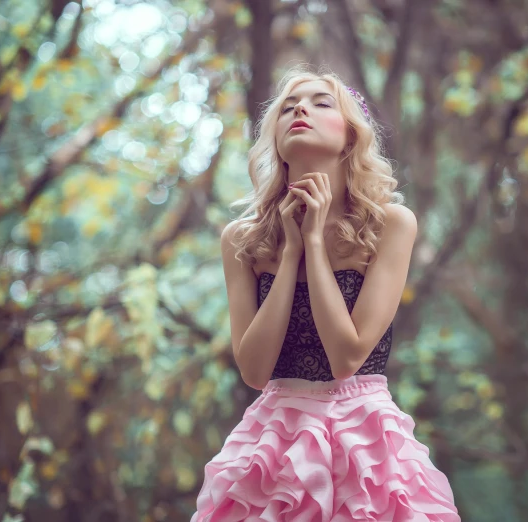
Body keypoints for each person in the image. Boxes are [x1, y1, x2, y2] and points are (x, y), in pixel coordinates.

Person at [190, 65, 460, 521]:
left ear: (351, 137)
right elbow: (255, 371)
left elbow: (346, 359)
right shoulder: (241, 239)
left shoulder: (391, 224)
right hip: (273, 443)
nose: (300, 109)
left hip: (365, 443)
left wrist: (314, 242)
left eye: (321, 102)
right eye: (289, 106)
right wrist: (291, 249)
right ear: (274, 138)